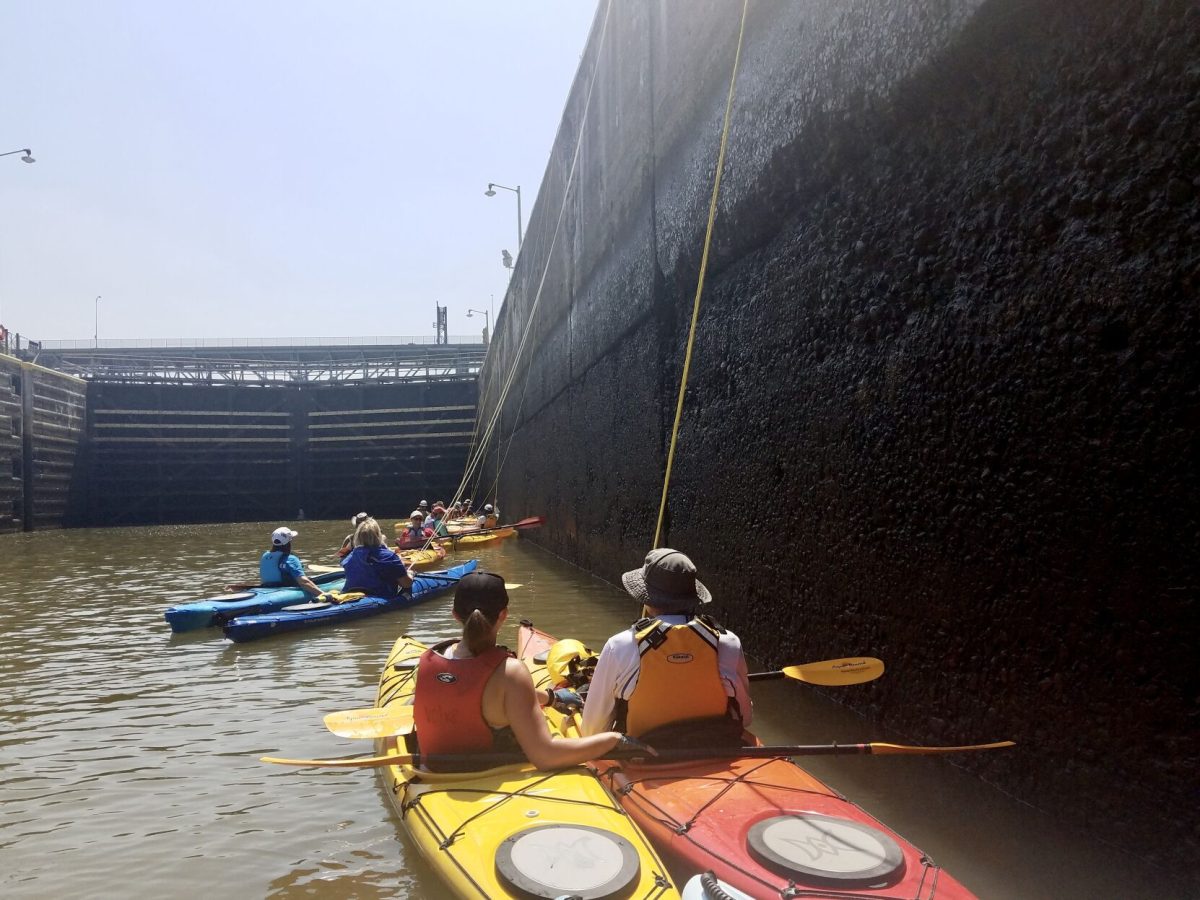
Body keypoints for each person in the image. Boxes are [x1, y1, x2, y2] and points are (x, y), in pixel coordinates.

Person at [413, 571, 649, 771]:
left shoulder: (426, 661)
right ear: (504, 614)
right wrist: (613, 740)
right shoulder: (511, 672)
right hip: (493, 776)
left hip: (432, 773)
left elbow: (470, 694)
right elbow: (545, 757)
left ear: (455, 615)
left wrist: (549, 697)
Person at [580, 548, 752, 744]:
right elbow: (745, 718)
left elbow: (592, 731)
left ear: (648, 600)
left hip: (641, 755)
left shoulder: (619, 646)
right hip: (713, 747)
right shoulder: (729, 642)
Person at [342, 517, 413, 598]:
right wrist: (410, 574)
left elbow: (343, 561)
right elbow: (406, 584)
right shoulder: (389, 557)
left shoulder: (351, 556)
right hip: (379, 595)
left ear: (358, 536)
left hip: (351, 593)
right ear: (378, 535)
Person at [260, 526, 323, 597]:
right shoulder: (290, 559)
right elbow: (303, 582)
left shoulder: (265, 556)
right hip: (286, 592)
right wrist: (323, 594)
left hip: (267, 590)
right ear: (289, 541)